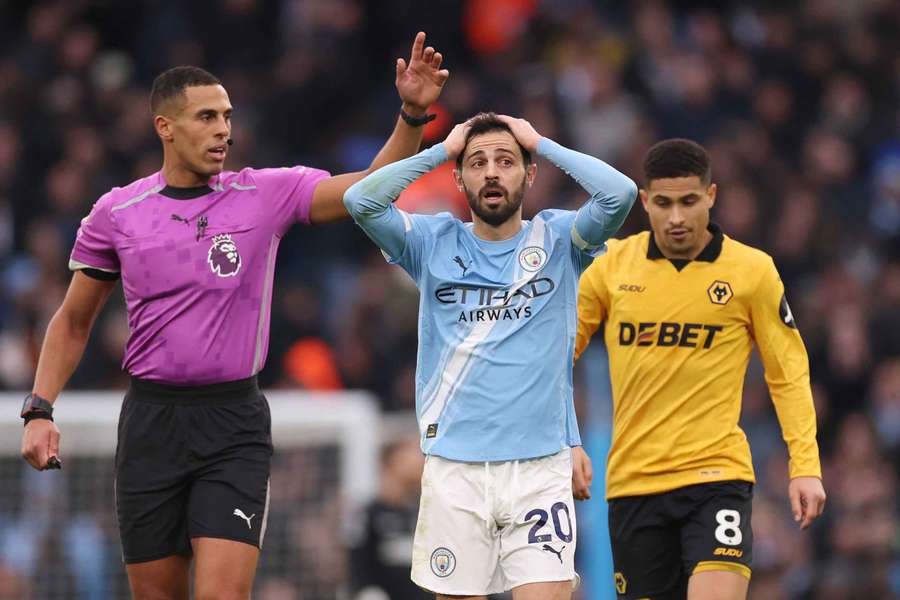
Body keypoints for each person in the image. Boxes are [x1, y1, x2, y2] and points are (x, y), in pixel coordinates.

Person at [19, 32, 449, 600]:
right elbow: (73, 321)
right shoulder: (116, 213)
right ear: (165, 127)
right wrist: (39, 408)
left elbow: (368, 192)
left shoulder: (264, 194)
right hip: (151, 422)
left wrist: (412, 114)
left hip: (234, 423)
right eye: (206, 117)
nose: (224, 129)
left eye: (227, 116)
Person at [344, 112, 637, 599]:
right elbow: (361, 200)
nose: (492, 172)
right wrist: (442, 149)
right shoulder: (432, 242)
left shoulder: (561, 240)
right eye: (477, 163)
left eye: (506, 161)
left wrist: (541, 142)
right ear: (459, 177)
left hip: (539, 469)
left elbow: (621, 194)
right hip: (454, 470)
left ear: (530, 173)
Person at [575, 138, 827, 600]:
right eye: (664, 203)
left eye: (689, 202)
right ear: (646, 201)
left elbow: (787, 370)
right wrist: (564, 442)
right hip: (633, 484)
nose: (676, 218)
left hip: (716, 477)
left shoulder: (751, 271)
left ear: (711, 196)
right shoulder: (610, 267)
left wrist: (805, 466)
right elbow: (550, 359)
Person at [348, 436, 430, 600]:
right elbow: (357, 562)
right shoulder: (367, 514)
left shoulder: (426, 511)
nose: (419, 459)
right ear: (392, 461)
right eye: (410, 452)